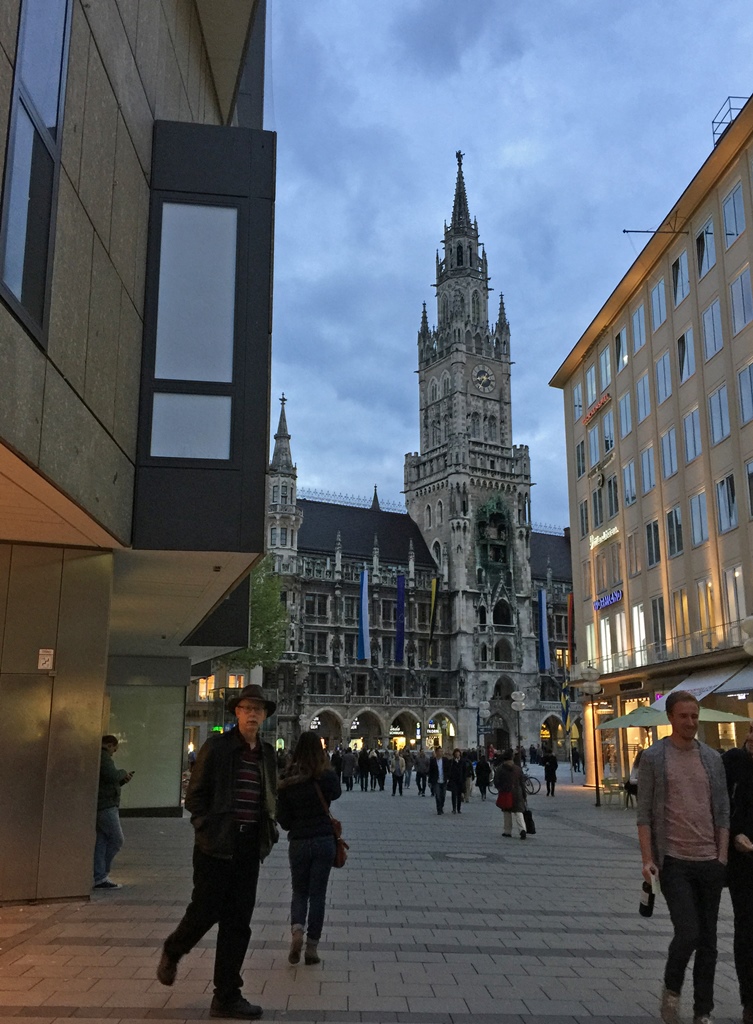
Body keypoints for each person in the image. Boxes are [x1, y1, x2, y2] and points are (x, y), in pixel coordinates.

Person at [156, 684, 278, 1020]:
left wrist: (271, 829)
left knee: (238, 923)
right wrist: (205, 828)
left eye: (258, 709)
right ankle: (174, 947)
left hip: (249, 846)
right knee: (206, 909)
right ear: (236, 712)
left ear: (265, 715)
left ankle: (226, 996)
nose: (253, 714)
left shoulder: (267, 753)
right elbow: (194, 797)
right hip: (216, 844)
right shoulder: (217, 747)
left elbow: (268, 796)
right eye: (247, 708)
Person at [637, 690, 729, 1024]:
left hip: (709, 861)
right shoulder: (654, 757)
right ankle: (671, 992)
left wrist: (721, 856)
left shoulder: (712, 758)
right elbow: (644, 814)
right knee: (688, 931)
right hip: (674, 860)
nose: (690, 722)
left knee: (709, 942)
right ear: (670, 718)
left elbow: (721, 810)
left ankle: (703, 1011)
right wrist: (648, 859)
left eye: (694, 716)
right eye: (684, 716)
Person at [277, 732, 341, 967]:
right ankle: (312, 947)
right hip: (324, 840)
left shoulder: (287, 778)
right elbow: (337, 792)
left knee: (299, 891)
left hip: (299, 842)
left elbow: (282, 818)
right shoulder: (325, 776)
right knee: (318, 895)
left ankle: (297, 932)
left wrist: (295, 822)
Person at [722, 721, 753, 1024]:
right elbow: (719, 807)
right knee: (747, 929)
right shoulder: (732, 762)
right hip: (743, 864)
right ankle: (749, 1002)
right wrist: (733, 835)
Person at [93, 735, 134, 890]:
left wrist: (122, 780)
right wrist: (123, 773)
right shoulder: (103, 757)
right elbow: (112, 775)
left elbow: (109, 781)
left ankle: (99, 876)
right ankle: (102, 872)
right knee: (117, 839)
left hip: (104, 803)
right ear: (110, 745)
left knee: (102, 840)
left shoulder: (101, 756)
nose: (113, 753)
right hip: (106, 806)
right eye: (114, 749)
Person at [494, 749, 527, 839]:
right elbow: (522, 783)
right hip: (517, 792)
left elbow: (496, 781)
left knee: (507, 811)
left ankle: (507, 831)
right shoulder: (517, 769)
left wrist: (500, 788)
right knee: (518, 812)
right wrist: (524, 794)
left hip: (506, 792)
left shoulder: (500, 768)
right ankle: (522, 829)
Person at [428, 746, 451, 814]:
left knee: (443, 795)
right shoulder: (433, 761)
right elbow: (430, 771)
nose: (441, 753)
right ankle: (439, 809)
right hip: (436, 780)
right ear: (436, 752)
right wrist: (429, 781)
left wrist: (448, 778)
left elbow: (448, 769)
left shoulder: (445, 760)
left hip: (444, 780)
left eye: (442, 751)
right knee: (437, 795)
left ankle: (441, 806)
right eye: (439, 751)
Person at [447, 748, 466, 813]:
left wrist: (464, 779)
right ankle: (454, 808)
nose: (457, 754)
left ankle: (458, 808)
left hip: (460, 780)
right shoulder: (451, 761)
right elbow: (449, 770)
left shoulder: (462, 761)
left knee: (459, 795)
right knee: (454, 794)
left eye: (458, 753)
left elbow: (464, 771)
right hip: (453, 780)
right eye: (456, 753)